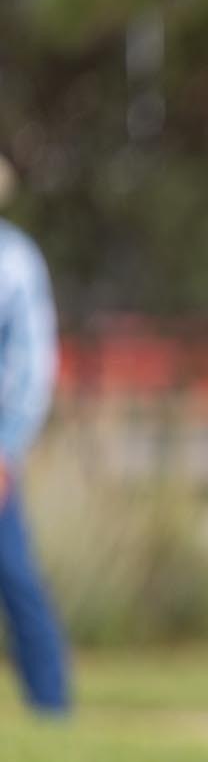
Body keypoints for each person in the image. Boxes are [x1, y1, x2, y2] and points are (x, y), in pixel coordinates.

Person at [0, 154, 69, 715]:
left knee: (15, 576)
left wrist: (8, 447)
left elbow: (31, 365)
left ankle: (50, 705)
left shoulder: (15, 262)